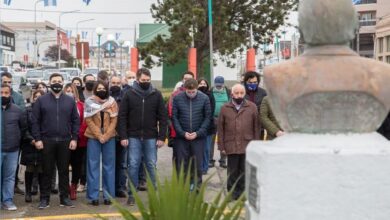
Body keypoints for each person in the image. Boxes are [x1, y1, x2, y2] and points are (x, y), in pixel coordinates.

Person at [118, 68, 168, 206]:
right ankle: (132, 195)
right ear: (137, 80)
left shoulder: (156, 94)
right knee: (133, 165)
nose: (145, 82)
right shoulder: (129, 94)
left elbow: (163, 117)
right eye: (143, 80)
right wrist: (123, 136)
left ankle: (154, 194)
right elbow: (122, 116)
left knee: (151, 165)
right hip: (133, 136)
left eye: (148, 80)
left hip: (151, 137)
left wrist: (162, 137)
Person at [31, 73, 80, 209]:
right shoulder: (42, 100)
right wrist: (37, 139)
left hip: (65, 141)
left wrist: (74, 138)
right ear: (49, 82)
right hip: (47, 141)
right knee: (47, 171)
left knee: (64, 171)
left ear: (63, 82)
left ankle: (64, 198)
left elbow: (76, 121)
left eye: (59, 81)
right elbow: (35, 121)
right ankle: (44, 199)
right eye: (54, 81)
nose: (57, 83)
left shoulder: (70, 101)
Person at [218, 84, 259, 200]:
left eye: (241, 93)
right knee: (232, 171)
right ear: (232, 94)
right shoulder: (225, 108)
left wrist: (256, 145)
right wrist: (221, 146)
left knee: (244, 171)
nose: (239, 95)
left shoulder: (252, 107)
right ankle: (231, 193)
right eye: (237, 93)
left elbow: (256, 127)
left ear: (245, 94)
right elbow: (220, 129)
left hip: (247, 144)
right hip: (230, 144)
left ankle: (242, 194)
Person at [172, 78, 211, 189]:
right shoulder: (178, 98)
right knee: (182, 164)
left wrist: (198, 133)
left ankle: (197, 188)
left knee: (197, 164)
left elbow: (207, 117)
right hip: (181, 138)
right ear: (184, 89)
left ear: (197, 88)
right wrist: (182, 133)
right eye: (188, 92)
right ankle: (182, 188)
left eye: (193, 92)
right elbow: (174, 117)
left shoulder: (204, 98)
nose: (191, 94)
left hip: (198, 137)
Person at [84, 81, 118, 206]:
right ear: (95, 89)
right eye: (99, 88)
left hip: (110, 137)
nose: (101, 90)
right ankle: (93, 196)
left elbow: (114, 120)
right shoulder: (89, 102)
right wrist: (99, 135)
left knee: (109, 166)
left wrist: (106, 135)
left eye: (104, 88)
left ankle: (108, 195)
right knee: (93, 166)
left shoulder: (112, 102)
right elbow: (88, 119)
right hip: (93, 137)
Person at [1, 83, 30, 211]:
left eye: (6, 93)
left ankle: (7, 200)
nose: (3, 95)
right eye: (1, 93)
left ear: (10, 94)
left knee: (9, 177)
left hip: (12, 150)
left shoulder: (17, 110)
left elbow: (23, 129)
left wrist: (17, 142)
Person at [1, 71, 26, 195]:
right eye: (4, 82)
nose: (7, 84)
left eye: (9, 82)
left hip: (13, 141)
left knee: (11, 170)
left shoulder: (18, 97)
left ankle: (12, 191)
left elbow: (22, 118)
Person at [64, 83, 88, 200]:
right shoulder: (60, 105)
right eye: (67, 90)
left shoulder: (81, 105)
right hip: (64, 140)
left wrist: (77, 135)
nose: (69, 93)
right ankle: (65, 187)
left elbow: (85, 122)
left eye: (71, 91)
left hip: (79, 140)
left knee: (77, 165)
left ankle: (73, 186)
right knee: (63, 164)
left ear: (75, 93)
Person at [20, 90, 44, 203]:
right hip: (29, 144)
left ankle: (41, 192)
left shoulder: (46, 111)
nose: (38, 98)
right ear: (33, 98)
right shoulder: (27, 110)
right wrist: (32, 140)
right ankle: (28, 192)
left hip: (42, 144)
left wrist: (41, 140)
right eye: (36, 96)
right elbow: (24, 128)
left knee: (41, 169)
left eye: (40, 96)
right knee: (29, 169)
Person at [167, 71, 194, 155]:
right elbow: (171, 113)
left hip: (194, 132)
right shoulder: (175, 95)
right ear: (182, 80)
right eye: (185, 79)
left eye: (189, 79)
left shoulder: (200, 95)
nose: (187, 80)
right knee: (178, 157)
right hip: (178, 132)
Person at [109, 76, 127, 197]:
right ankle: (109, 188)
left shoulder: (125, 97)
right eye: (113, 82)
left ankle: (120, 188)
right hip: (108, 136)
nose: (115, 85)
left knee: (121, 163)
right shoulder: (105, 96)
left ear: (121, 84)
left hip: (121, 135)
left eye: (118, 83)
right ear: (109, 83)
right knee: (109, 163)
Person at [209, 76, 230, 168]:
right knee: (211, 141)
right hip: (213, 119)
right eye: (217, 85)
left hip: (225, 119)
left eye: (220, 85)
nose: (218, 87)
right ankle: (210, 160)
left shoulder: (228, 92)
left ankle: (223, 160)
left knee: (224, 140)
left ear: (223, 84)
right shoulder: (210, 92)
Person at [197, 78, 216, 175]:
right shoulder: (195, 95)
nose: (202, 85)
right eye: (200, 83)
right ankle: (199, 167)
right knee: (198, 149)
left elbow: (211, 111)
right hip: (197, 127)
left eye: (204, 83)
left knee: (206, 149)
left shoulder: (210, 95)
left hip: (208, 127)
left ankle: (205, 167)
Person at [243, 71, 267, 139]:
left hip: (259, 126)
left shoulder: (263, 93)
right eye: (250, 82)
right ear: (246, 82)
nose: (252, 84)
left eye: (255, 82)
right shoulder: (241, 92)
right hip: (244, 126)